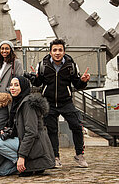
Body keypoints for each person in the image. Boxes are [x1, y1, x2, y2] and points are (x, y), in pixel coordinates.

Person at [30, 39, 91, 168]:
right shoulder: (43, 65)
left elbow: (77, 85)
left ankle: (79, 155)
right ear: (50, 52)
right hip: (49, 102)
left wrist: (83, 81)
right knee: (52, 130)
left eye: (60, 50)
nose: (57, 53)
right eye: (55, 50)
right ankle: (55, 157)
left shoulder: (71, 65)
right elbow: (38, 83)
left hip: (66, 102)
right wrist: (34, 78)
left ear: (64, 51)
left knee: (77, 126)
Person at [0, 76, 55, 176]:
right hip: (23, 141)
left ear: (23, 87)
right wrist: (9, 131)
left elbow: (31, 132)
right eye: (11, 85)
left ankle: (27, 164)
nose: (12, 88)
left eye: (16, 85)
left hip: (34, 144)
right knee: (2, 171)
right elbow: (18, 127)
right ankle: (32, 166)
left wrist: (22, 156)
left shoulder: (27, 104)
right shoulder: (17, 102)